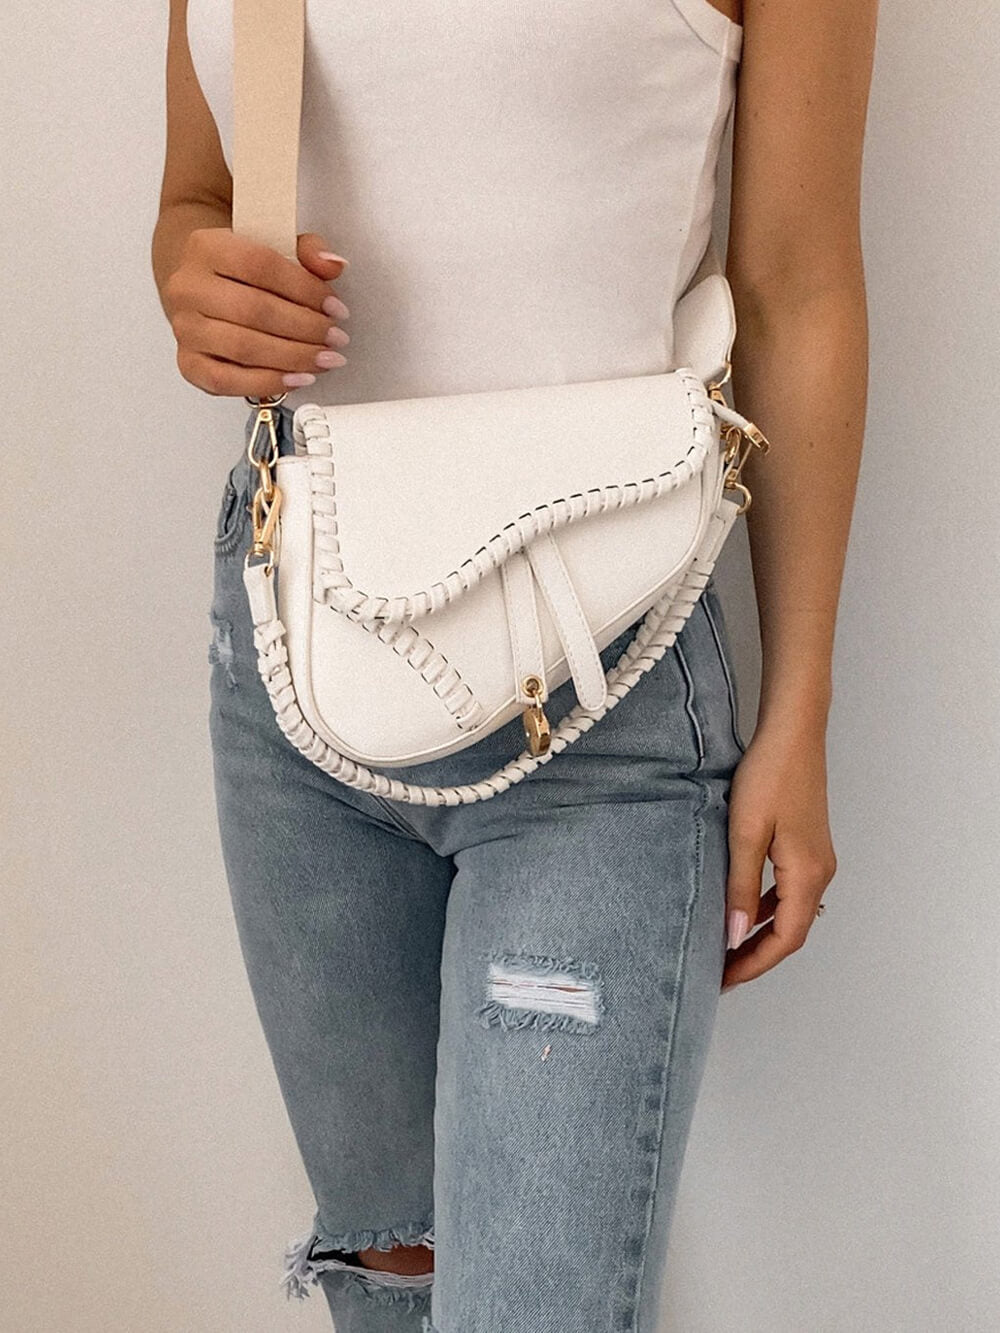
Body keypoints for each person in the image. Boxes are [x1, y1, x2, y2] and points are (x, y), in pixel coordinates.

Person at [151, 0, 875, 1327]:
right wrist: (195, 285)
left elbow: (796, 284)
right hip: (295, 666)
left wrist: (800, 708)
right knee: (385, 1289)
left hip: (608, 684)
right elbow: (197, 195)